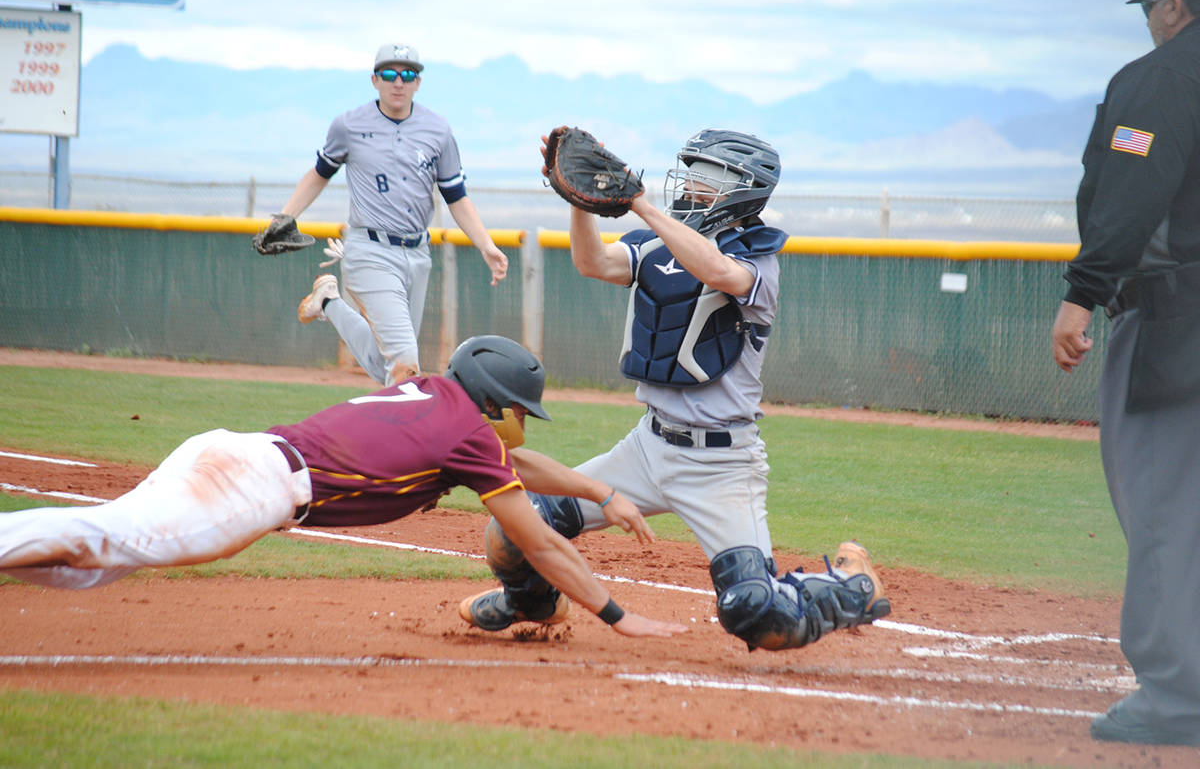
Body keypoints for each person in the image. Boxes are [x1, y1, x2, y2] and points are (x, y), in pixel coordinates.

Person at [458, 130, 891, 651]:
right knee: (513, 527)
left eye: (708, 175)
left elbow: (713, 269)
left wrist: (642, 205)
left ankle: (853, 586)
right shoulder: (655, 243)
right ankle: (533, 604)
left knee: (756, 612)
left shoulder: (758, 261)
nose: (690, 183)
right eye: (691, 171)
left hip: (720, 464)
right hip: (647, 447)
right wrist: (579, 200)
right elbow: (592, 263)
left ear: (745, 189)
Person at [0, 336, 686, 640]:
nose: (521, 425)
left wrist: (599, 492)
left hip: (230, 452)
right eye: (518, 412)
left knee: (91, 565)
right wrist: (616, 614)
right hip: (249, 487)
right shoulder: (469, 434)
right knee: (100, 541)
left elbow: (518, 465)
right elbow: (541, 544)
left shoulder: (435, 396)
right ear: (492, 402)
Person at [1051, 0, 1200, 748]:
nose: (1149, 20)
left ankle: (1177, 698)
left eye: (1151, 6)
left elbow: (1131, 192)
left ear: (1173, 3)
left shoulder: (1162, 77)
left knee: (1164, 505)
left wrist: (1084, 293)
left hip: (1180, 324)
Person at [275, 42, 508, 386]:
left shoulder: (438, 131)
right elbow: (320, 174)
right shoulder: (349, 126)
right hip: (369, 250)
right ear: (375, 80)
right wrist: (285, 216)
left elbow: (456, 196)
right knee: (404, 361)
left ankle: (328, 303)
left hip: (417, 254)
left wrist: (486, 245)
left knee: (384, 362)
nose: (398, 82)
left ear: (418, 82)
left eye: (408, 74)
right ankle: (402, 423)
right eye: (389, 73)